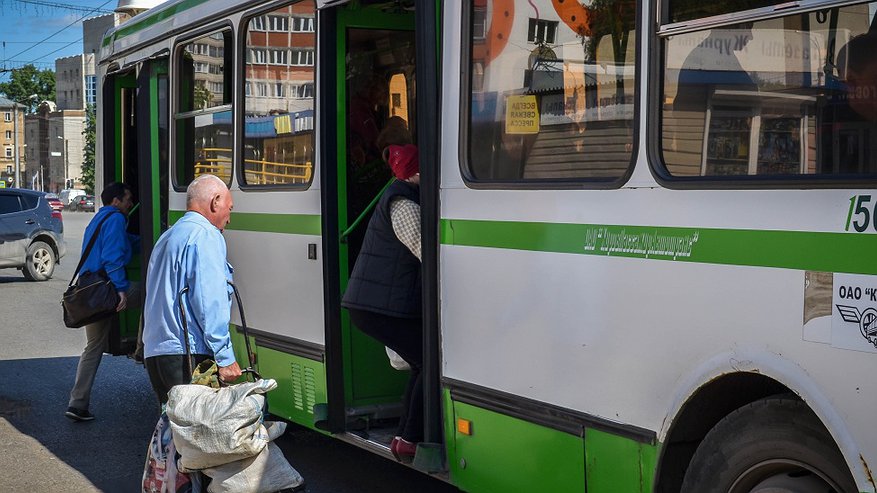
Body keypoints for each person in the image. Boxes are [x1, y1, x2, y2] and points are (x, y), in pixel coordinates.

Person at [341, 144, 423, 462]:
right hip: (378, 306)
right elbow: (425, 249)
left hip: (378, 304)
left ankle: (405, 436)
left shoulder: (401, 195)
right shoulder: (403, 202)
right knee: (427, 363)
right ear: (418, 171)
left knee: (420, 362)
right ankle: (411, 437)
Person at [142, 174, 242, 405]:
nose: (229, 218)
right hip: (188, 352)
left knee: (174, 432)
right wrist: (225, 356)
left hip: (157, 352)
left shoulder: (168, 237)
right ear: (215, 201)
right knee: (200, 436)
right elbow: (209, 301)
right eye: (229, 208)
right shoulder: (206, 235)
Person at [66, 182, 140, 422]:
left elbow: (125, 242)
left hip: (91, 292)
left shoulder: (99, 219)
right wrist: (121, 290)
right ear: (116, 201)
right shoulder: (117, 219)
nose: (130, 203)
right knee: (153, 293)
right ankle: (143, 347)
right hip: (107, 290)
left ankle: (77, 404)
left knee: (93, 347)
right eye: (128, 199)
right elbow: (112, 257)